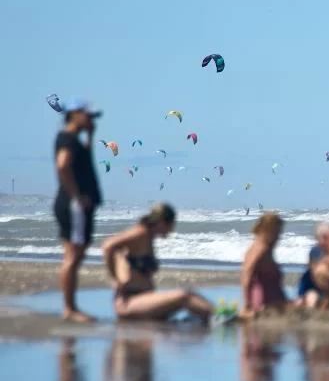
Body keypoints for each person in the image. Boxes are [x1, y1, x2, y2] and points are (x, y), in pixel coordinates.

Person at [103, 203, 214, 322]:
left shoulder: (147, 237)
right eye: (170, 225)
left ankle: (217, 314)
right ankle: (220, 317)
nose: (171, 230)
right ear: (161, 222)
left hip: (143, 298)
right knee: (184, 296)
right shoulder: (140, 233)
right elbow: (109, 246)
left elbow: (121, 254)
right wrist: (114, 278)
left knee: (192, 298)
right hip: (129, 302)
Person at [54, 98, 103, 323]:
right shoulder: (67, 138)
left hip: (77, 205)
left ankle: (70, 307)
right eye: (88, 115)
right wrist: (77, 197)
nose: (91, 119)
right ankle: (69, 309)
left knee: (75, 255)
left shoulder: (74, 140)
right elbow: (63, 165)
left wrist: (91, 136)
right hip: (75, 206)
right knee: (73, 257)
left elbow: (84, 163)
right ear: (74, 114)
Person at [240, 212, 288, 319]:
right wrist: (247, 306)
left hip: (273, 304)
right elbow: (246, 274)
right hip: (265, 306)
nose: (279, 237)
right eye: (278, 233)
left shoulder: (259, 247)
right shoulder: (261, 249)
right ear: (269, 230)